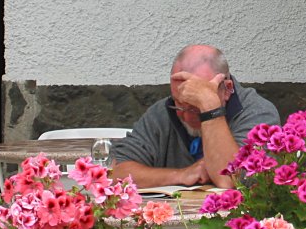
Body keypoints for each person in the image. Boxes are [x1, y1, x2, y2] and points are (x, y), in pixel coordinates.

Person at [111, 44, 280, 189]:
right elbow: (116, 173)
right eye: (179, 103)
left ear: (227, 89)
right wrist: (181, 175)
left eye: (194, 107)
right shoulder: (163, 111)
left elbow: (231, 178)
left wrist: (209, 108)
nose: (184, 115)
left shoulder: (258, 112)